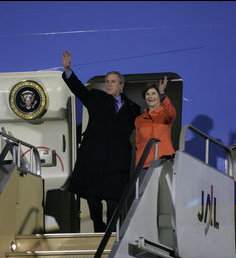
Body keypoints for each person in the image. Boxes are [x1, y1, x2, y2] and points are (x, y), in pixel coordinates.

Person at [61, 50, 140, 232]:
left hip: (117, 159)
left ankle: (110, 231)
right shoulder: (96, 97)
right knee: (92, 195)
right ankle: (98, 225)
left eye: (113, 81)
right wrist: (68, 70)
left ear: (121, 85)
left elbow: (146, 124)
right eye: (107, 81)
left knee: (114, 199)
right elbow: (79, 89)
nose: (108, 84)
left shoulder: (133, 108)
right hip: (94, 156)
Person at [134, 77, 176, 174]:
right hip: (144, 164)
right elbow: (138, 143)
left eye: (153, 93)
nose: (150, 96)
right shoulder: (139, 119)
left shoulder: (165, 114)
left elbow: (171, 113)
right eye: (147, 94)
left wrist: (162, 93)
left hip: (164, 162)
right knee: (143, 189)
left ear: (158, 96)